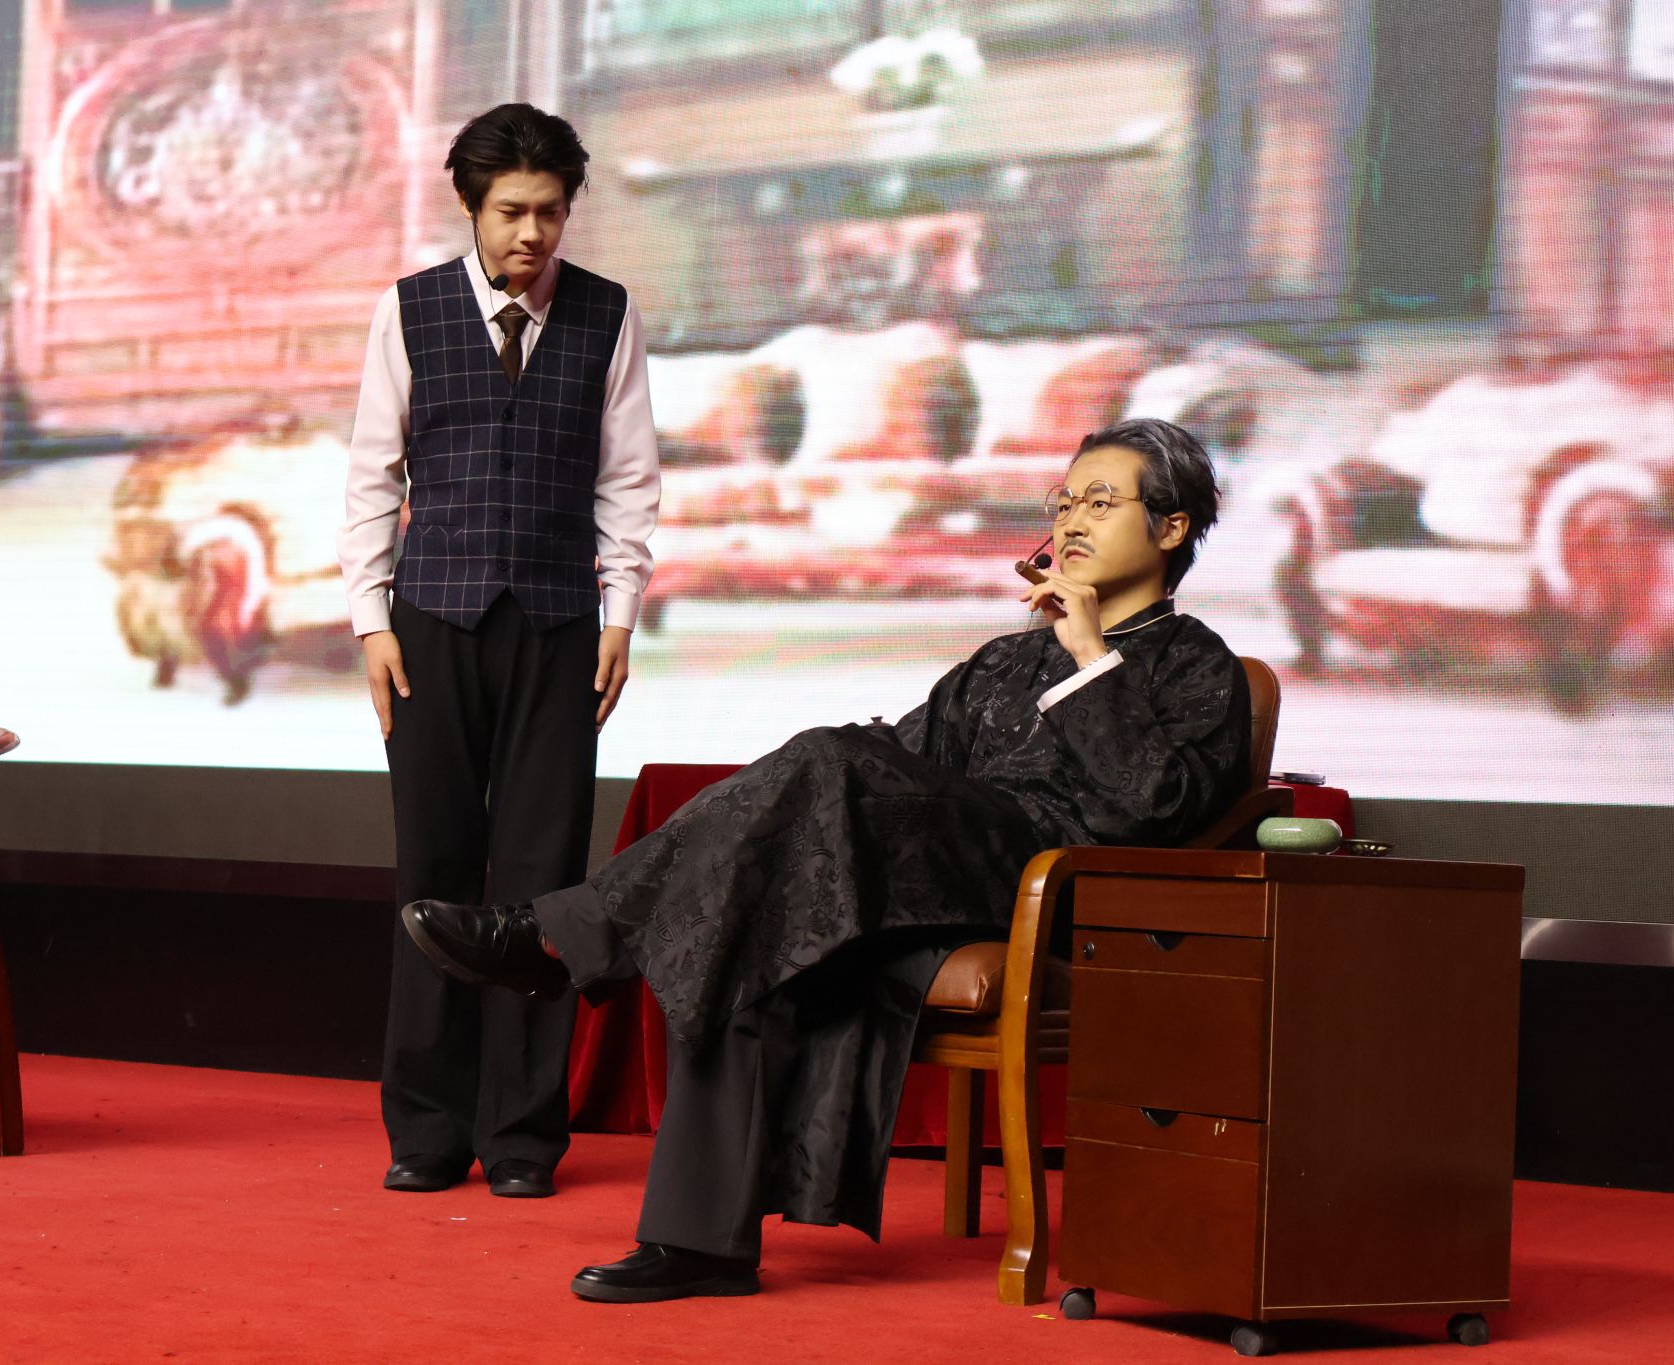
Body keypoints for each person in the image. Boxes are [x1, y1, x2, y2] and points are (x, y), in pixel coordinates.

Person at [404, 418, 1248, 1299]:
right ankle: (699, 1244)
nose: (1071, 520)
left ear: (1171, 527)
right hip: (938, 881)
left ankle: (559, 937)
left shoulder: (1199, 667)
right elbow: (906, 762)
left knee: (815, 776)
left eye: (1100, 503)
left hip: (1055, 892)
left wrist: (1089, 656)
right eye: (1064, 501)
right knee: (746, 905)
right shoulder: (1003, 661)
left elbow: (1158, 808)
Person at [337, 104, 660, 1200]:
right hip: (431, 621)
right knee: (432, 869)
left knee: (541, 882)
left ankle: (521, 1133)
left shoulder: (607, 313)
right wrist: (370, 621)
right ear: (471, 208)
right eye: (513, 211)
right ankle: (427, 1127)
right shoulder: (410, 310)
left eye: (550, 212)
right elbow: (373, 474)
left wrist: (620, 613)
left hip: (561, 626)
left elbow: (628, 477)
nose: (532, 233)